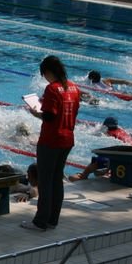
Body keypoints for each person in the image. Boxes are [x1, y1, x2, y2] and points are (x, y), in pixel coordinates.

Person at [22, 56, 80, 231]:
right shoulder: (73, 87)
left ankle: (40, 222)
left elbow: (50, 116)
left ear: (47, 72)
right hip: (67, 139)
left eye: (44, 74)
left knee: (45, 182)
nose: (44, 78)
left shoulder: (52, 88)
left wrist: (35, 113)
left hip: (51, 140)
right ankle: (53, 220)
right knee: (57, 180)